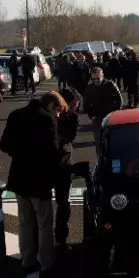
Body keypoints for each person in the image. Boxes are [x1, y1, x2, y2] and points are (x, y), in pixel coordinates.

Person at [0, 91, 65, 274]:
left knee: (25, 221)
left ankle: (27, 260)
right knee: (44, 223)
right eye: (57, 111)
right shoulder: (46, 120)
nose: (57, 115)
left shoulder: (15, 115)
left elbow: (4, 145)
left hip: (19, 176)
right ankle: (46, 262)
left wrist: (20, 153)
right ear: (51, 106)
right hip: (39, 178)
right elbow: (53, 151)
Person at [53, 88, 78, 247]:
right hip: (63, 162)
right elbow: (69, 138)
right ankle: (60, 237)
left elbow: (68, 137)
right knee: (63, 202)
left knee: (60, 202)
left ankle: (59, 236)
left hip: (57, 162)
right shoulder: (71, 117)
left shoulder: (69, 117)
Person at [82, 66, 123, 158]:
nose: (96, 80)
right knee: (99, 142)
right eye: (94, 79)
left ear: (102, 75)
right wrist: (91, 115)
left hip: (110, 116)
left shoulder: (110, 85)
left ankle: (114, 159)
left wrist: (115, 113)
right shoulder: (90, 88)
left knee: (113, 139)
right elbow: (86, 104)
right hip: (97, 117)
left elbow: (119, 100)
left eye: (98, 78)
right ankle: (101, 162)